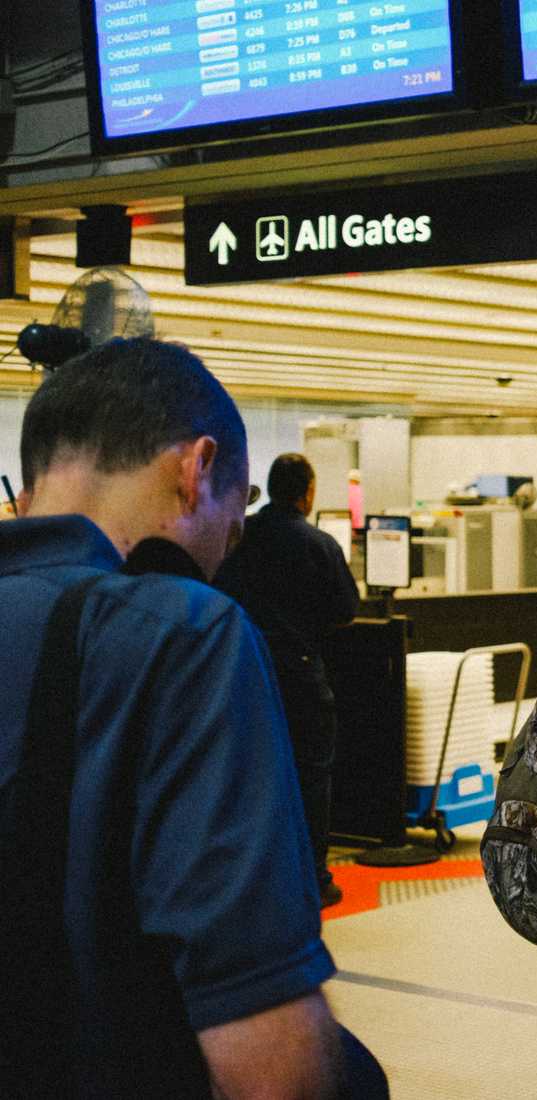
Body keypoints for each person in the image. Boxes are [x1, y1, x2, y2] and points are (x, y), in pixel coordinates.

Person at [0, 338, 381, 1097]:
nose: (221, 557)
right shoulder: (179, 632)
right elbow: (273, 1070)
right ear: (196, 469)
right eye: (230, 528)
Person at [217, 452, 360, 908]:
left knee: (252, 776)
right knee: (311, 776)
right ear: (308, 492)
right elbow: (345, 610)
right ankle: (313, 880)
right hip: (300, 675)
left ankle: (255, 876)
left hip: (245, 671)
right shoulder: (318, 544)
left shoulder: (239, 537)